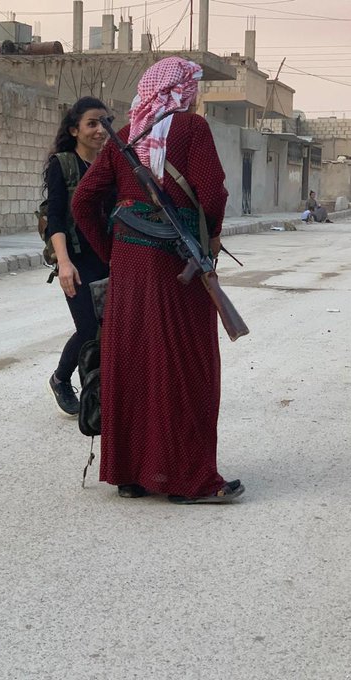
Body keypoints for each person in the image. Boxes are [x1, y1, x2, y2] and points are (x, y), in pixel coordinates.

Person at [71, 57, 244, 504]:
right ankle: (189, 481)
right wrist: (210, 238)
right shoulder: (192, 128)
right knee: (186, 365)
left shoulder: (127, 135)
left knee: (132, 363)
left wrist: (114, 253)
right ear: (181, 90)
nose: (196, 96)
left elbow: (83, 201)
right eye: (193, 87)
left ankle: (130, 473)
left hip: (130, 268)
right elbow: (212, 193)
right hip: (177, 266)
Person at [45, 97, 110, 417]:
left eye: (105, 122)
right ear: (74, 130)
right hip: (76, 257)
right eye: (92, 123)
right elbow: (55, 218)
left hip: (106, 255)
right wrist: (64, 263)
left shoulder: (110, 163)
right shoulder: (63, 164)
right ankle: (61, 378)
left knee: (107, 329)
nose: (100, 130)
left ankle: (99, 393)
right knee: (87, 329)